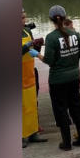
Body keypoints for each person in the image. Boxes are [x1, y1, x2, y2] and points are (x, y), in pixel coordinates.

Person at [41, 5, 80, 151]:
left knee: (61, 110)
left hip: (58, 79)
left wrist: (37, 55)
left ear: (51, 20)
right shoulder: (75, 34)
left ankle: (66, 143)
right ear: (65, 16)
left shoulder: (51, 37)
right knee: (76, 107)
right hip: (74, 76)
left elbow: (50, 60)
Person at [22, 10, 47, 148]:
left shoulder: (27, 31)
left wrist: (37, 46)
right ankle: (21, 136)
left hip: (29, 74)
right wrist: (25, 46)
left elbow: (33, 51)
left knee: (32, 105)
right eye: (21, 18)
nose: (23, 20)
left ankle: (33, 133)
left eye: (24, 17)